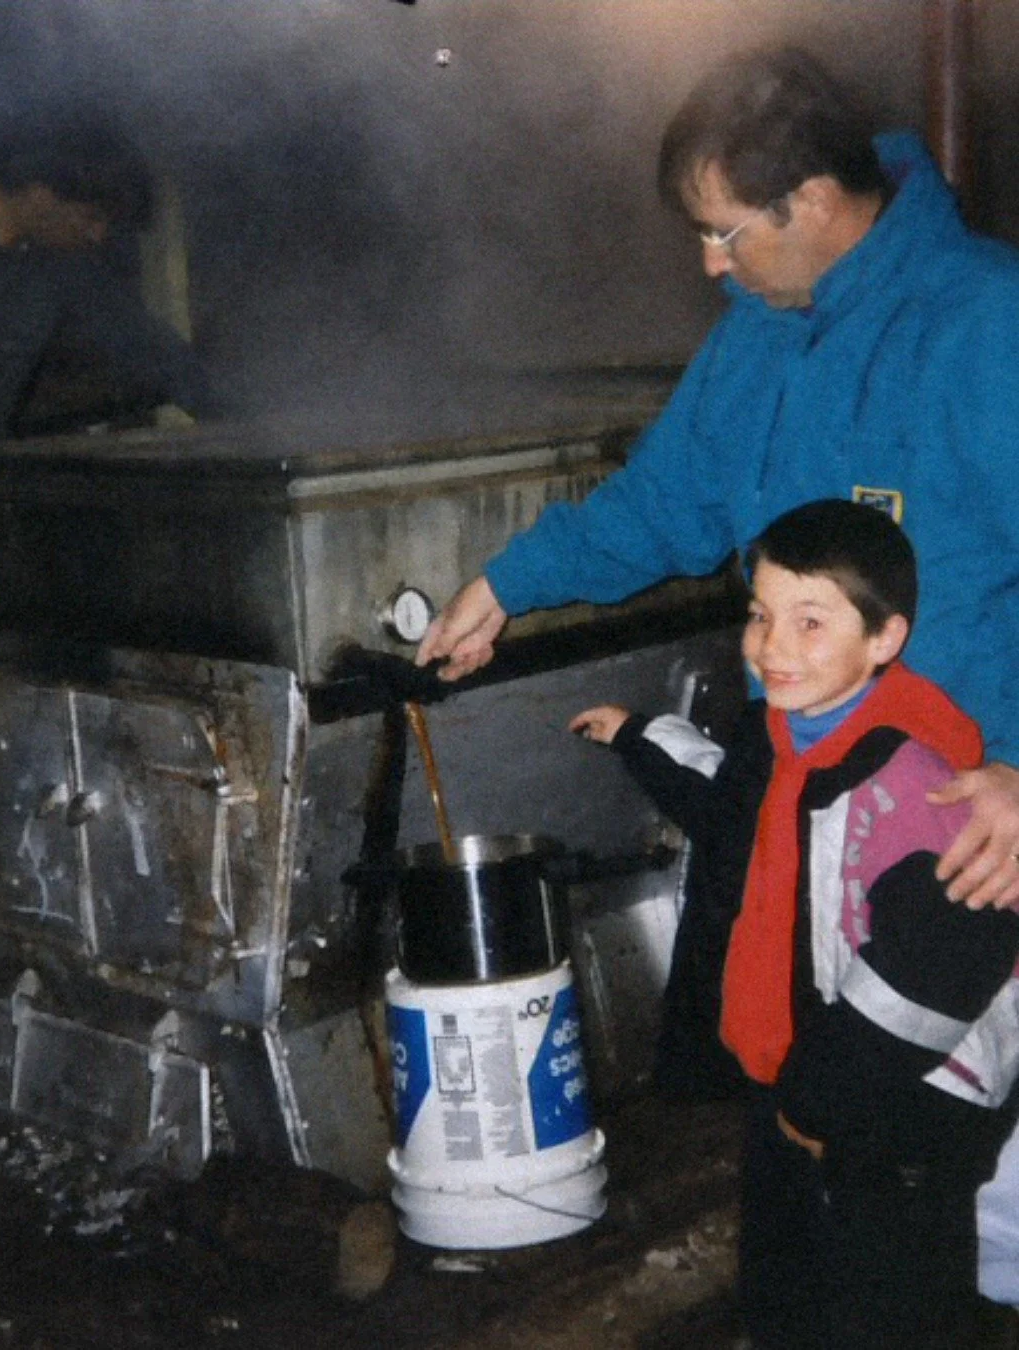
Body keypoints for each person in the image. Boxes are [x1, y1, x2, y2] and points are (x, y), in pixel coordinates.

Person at [416, 44, 1019, 916]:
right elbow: (667, 502)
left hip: (967, 822)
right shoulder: (758, 335)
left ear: (811, 201)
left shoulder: (986, 321)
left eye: (721, 231)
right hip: (799, 786)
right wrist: (509, 583)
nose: (709, 263)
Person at [570, 499, 1019, 1350]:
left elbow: (947, 962)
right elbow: (729, 805)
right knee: (786, 1304)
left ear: (884, 639)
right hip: (801, 1079)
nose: (772, 647)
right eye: (760, 615)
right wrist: (638, 736)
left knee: (893, 1318)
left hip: (904, 1116)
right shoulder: (791, 735)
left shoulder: (911, 782)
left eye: (810, 623)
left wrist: (820, 1105)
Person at [0, 118, 220, 443]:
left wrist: (264, 425)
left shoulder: (65, 266)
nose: (98, 235)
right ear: (41, 196)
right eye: (92, 217)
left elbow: (157, 354)